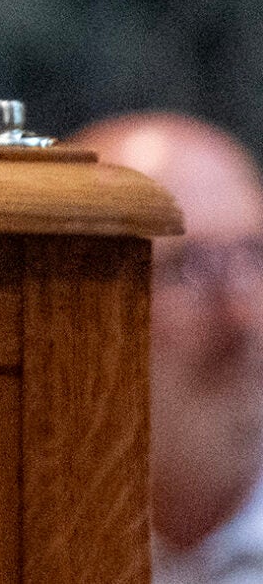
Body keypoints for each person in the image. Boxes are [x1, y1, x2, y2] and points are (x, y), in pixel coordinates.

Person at [70, 113, 263, 583]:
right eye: (189, 268)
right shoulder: (8, 538)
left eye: (256, 258)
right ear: (73, 315)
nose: (241, 316)